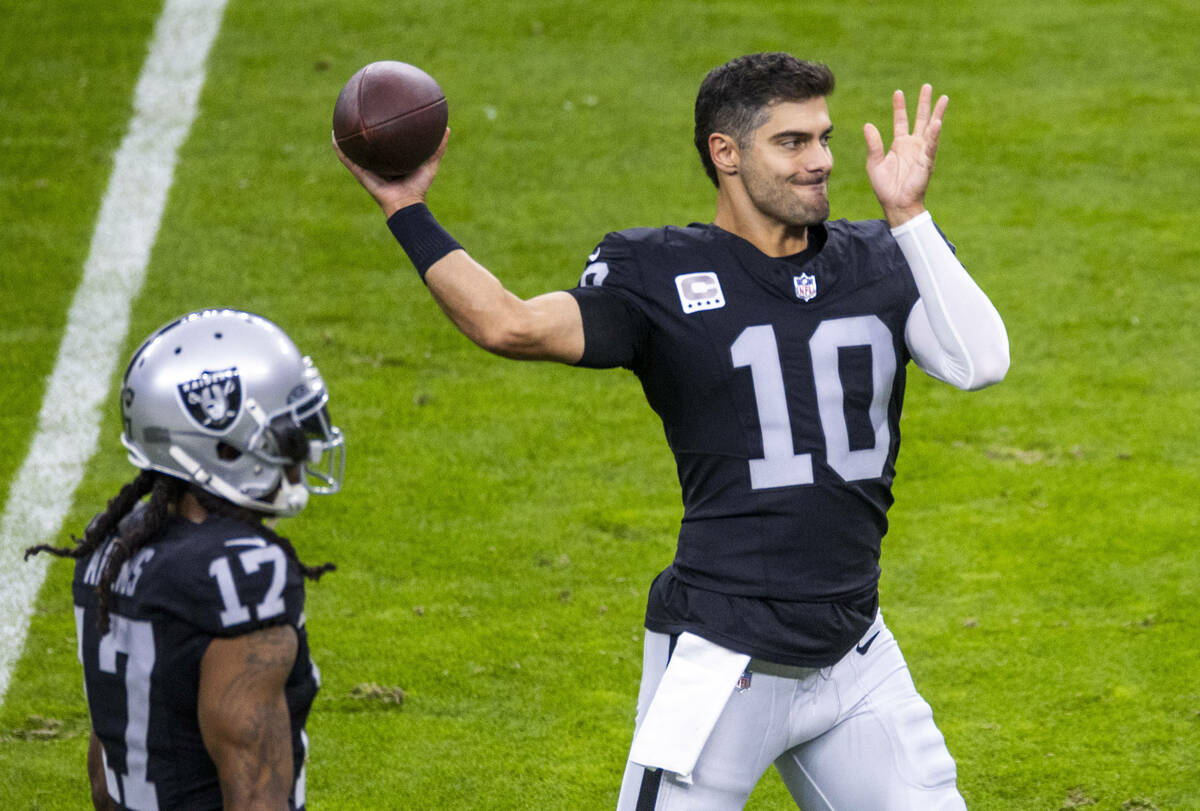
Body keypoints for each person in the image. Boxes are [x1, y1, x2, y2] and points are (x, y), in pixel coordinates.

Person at [336, 52, 1008, 809]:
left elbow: (980, 362)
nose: (821, 161)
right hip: (723, 661)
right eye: (791, 142)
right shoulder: (657, 271)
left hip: (855, 654)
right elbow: (507, 324)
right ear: (725, 152)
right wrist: (405, 209)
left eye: (822, 138)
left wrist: (910, 215)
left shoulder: (882, 255)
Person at [26, 309, 346, 811]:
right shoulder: (237, 576)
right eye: (286, 429)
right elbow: (255, 795)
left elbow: (105, 777)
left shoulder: (112, 545)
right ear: (224, 443)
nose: (303, 446)